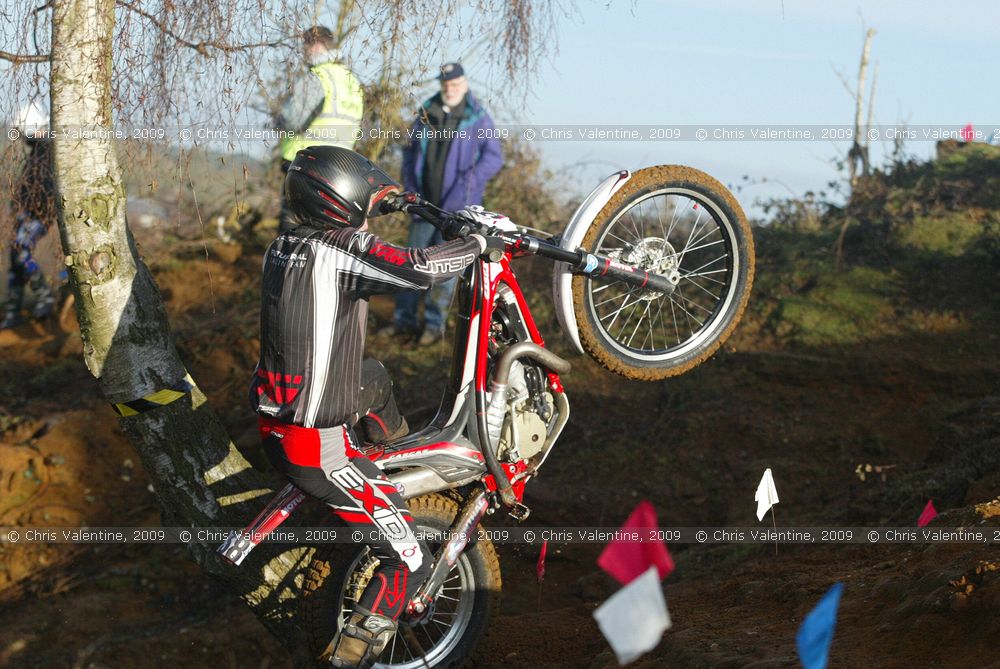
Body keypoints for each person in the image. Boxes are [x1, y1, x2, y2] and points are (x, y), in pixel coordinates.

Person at [249, 145, 493, 668]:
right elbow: (422, 270)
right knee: (407, 558)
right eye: (365, 195)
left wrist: (402, 200)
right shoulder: (342, 248)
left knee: (373, 377)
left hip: (280, 418)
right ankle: (355, 653)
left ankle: (395, 470)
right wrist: (477, 241)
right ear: (343, 199)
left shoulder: (285, 245)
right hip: (318, 448)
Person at [383, 62, 503, 346]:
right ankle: (404, 320)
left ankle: (433, 327)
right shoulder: (427, 112)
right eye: (445, 84)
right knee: (410, 263)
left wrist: (468, 184)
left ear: (463, 83)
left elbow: (493, 158)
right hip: (422, 205)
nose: (449, 89)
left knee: (447, 269)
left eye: (454, 83)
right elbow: (410, 153)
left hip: (457, 209)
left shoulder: (478, 118)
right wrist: (409, 187)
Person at [275, 26, 364, 233]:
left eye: (305, 45)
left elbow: (291, 120)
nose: (304, 51)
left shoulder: (319, 76)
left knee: (293, 231)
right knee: (325, 233)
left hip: (304, 163)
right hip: (339, 169)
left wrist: (278, 120)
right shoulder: (351, 80)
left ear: (315, 44)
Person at [3, 100, 56, 330]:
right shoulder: (35, 153)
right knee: (15, 258)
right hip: (27, 214)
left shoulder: (46, 149)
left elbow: (42, 188)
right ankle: (13, 312)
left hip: (39, 214)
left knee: (22, 249)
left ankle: (45, 295)